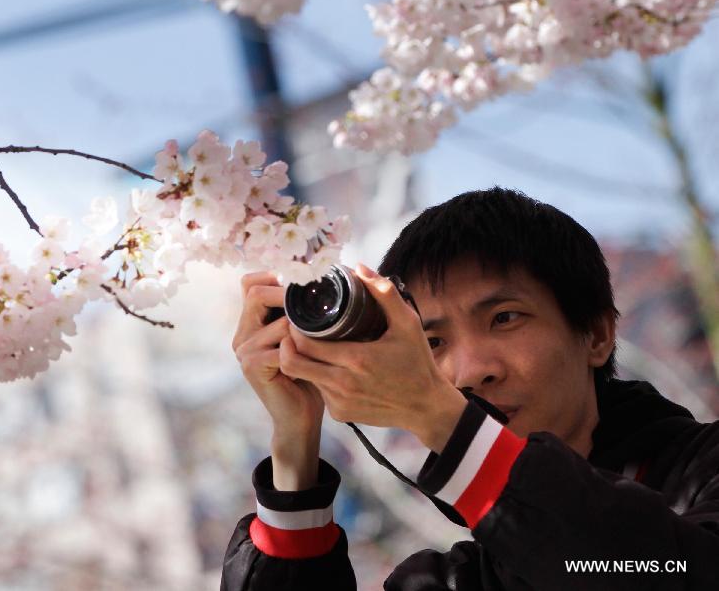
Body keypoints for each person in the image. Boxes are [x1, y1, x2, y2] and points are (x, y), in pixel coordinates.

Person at [220, 187, 719, 590]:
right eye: (432, 342)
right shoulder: (451, 580)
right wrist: (294, 446)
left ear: (595, 333)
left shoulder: (704, 470)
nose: (470, 371)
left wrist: (440, 419)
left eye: (504, 318)